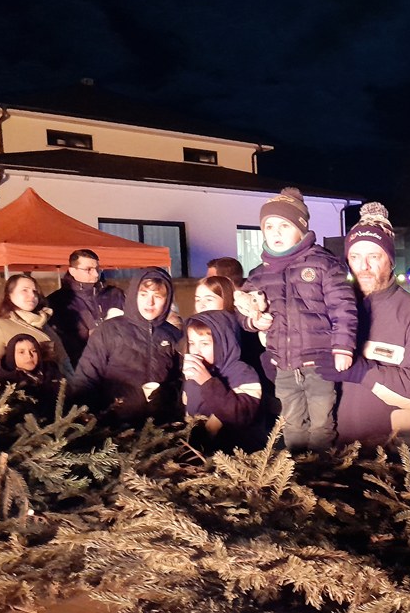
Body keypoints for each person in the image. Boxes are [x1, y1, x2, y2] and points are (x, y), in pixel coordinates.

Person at [235, 187, 358, 451]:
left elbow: (343, 307)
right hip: (284, 365)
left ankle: (321, 466)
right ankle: (297, 467)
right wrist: (254, 321)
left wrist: (343, 347)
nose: (275, 233)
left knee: (322, 422)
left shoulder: (324, 264)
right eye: (269, 226)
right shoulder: (258, 274)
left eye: (284, 225)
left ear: (301, 229)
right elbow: (244, 311)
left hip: (320, 363)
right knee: (291, 423)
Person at [318, 201, 410, 451]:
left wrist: (364, 372)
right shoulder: (331, 309)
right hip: (337, 453)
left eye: (373, 256)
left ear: (390, 260)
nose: (363, 266)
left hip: (392, 457)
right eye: (355, 257)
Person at [71, 268, 182, 425]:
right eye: (143, 294)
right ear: (134, 295)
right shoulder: (109, 330)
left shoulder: (174, 335)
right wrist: (85, 420)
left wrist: (169, 393)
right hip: (114, 425)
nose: (150, 302)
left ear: (167, 299)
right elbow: (86, 378)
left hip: (161, 426)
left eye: (157, 296)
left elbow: (181, 379)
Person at [182, 310, 264, 452]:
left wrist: (207, 382)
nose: (196, 350)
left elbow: (240, 416)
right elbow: (187, 407)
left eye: (204, 343)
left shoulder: (242, 373)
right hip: (197, 452)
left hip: (234, 453)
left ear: (223, 343)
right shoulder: (195, 372)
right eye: (192, 343)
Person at [0, 274, 72, 380]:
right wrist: (18, 361)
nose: (32, 295)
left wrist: (73, 383)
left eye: (35, 291)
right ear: (9, 294)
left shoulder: (44, 323)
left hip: (58, 386)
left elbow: (64, 361)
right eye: (24, 290)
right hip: (23, 387)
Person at [47, 249, 125, 365]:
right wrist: (87, 335)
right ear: (72, 271)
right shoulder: (58, 301)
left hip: (118, 362)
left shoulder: (115, 294)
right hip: (80, 364)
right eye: (88, 269)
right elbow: (59, 340)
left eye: (97, 269)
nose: (96, 274)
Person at [0, 332, 64, 413]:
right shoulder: (3, 384)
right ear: (11, 355)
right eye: (21, 352)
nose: (29, 356)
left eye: (33, 351)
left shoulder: (52, 373)